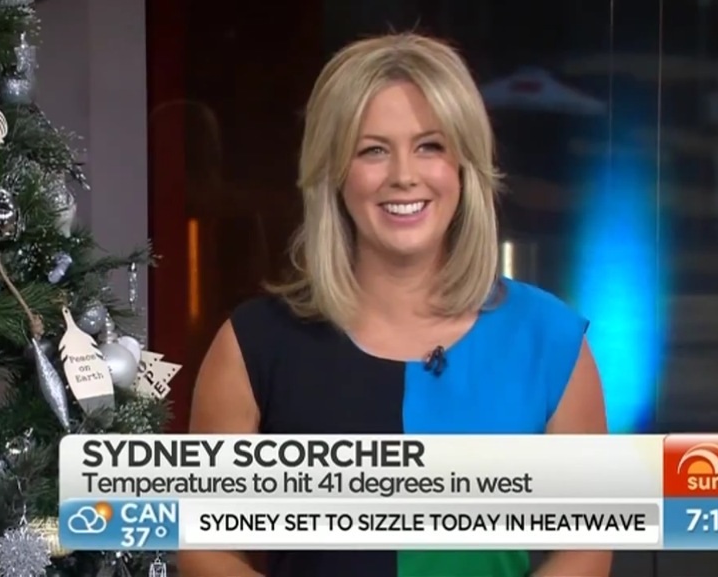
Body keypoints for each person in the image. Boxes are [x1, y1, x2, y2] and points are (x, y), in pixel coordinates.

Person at [179, 32, 610, 577]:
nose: (404, 176)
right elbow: (204, 549)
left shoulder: (551, 341)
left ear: (464, 166)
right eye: (373, 150)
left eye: (430, 146)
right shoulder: (253, 346)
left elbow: (587, 549)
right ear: (333, 173)